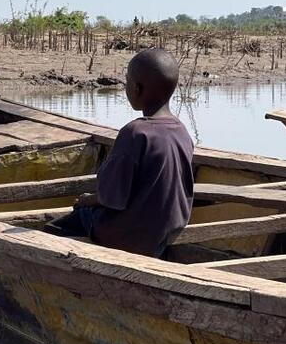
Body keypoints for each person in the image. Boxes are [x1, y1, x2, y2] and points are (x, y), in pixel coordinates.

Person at [45, 48, 194, 258]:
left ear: (137, 88)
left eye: (127, 81)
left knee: (54, 230)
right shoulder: (182, 131)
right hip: (168, 231)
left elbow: (112, 198)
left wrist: (87, 200)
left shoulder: (135, 133)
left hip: (130, 234)